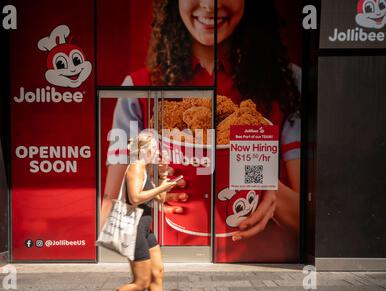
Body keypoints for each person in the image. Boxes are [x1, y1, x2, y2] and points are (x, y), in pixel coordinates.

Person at [104, 0, 301, 262]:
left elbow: (317, 223)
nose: (209, 5)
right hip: (172, 265)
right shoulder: (139, 89)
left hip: (265, 266)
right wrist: (145, 194)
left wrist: (267, 188)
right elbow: (111, 222)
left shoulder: (288, 83)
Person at [105, 132, 178, 291]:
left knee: (157, 272)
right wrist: (161, 188)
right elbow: (135, 198)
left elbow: (159, 199)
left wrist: (163, 175)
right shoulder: (136, 167)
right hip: (133, 228)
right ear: (144, 150)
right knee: (141, 283)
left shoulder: (144, 169)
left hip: (144, 228)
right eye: (154, 149)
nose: (158, 152)